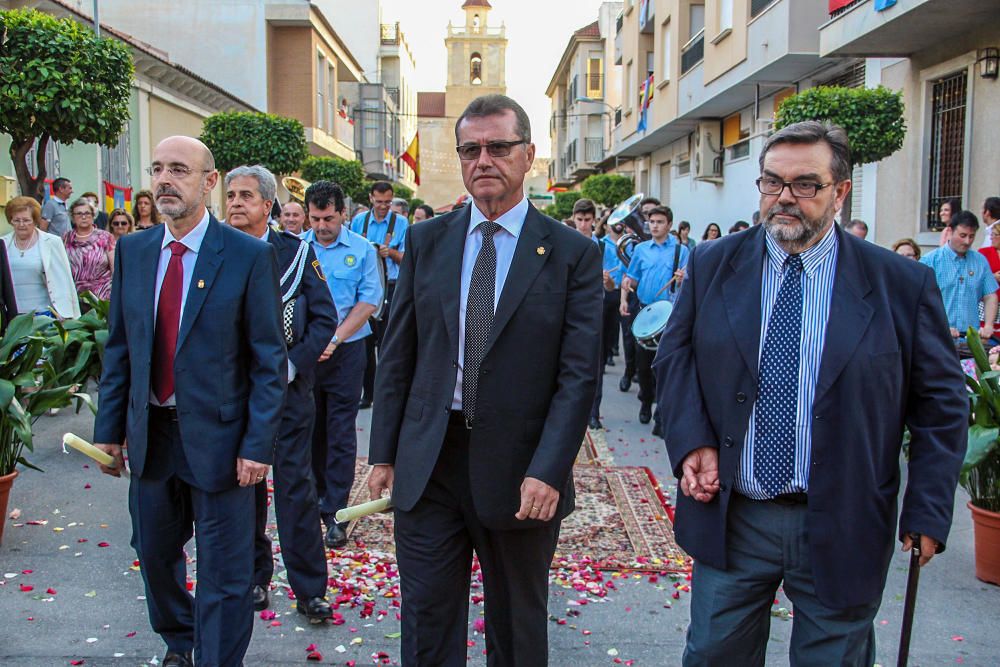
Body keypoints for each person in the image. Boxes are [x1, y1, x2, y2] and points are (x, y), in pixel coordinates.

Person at [655, 120, 967, 665]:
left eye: (805, 185)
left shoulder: (900, 283)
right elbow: (674, 360)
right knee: (712, 655)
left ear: (841, 191)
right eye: (772, 183)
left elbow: (942, 405)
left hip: (844, 515)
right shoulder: (712, 264)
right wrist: (691, 444)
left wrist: (928, 509)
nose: (784, 198)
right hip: (735, 515)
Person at [369, 94, 602, 666]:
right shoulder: (428, 241)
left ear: (529, 156)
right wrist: (384, 453)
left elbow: (578, 378)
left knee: (517, 629)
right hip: (430, 462)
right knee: (426, 622)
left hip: (520, 471)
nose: (484, 160)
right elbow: (398, 354)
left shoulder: (572, 253)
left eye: (499, 147)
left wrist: (549, 470)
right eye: (471, 149)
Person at [93, 136, 287, 667]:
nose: (164, 180)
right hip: (151, 436)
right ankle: (181, 640)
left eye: (179, 169)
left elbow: (269, 362)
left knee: (226, 571)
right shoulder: (133, 251)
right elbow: (120, 349)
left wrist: (257, 445)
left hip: (223, 445)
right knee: (154, 554)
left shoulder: (248, 256)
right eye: (157, 168)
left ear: (208, 182)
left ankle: (218, 658)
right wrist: (109, 432)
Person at [224, 165, 337, 622]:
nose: (235, 204)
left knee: (295, 489)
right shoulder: (216, 251)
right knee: (245, 488)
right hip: (235, 396)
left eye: (246, 196)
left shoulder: (295, 253)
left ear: (267, 205)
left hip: (289, 393)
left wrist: (289, 366)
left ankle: (310, 588)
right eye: (230, 195)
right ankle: (254, 577)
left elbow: (325, 319)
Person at [302, 181, 382, 549]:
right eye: (316, 218)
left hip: (347, 349)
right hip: (306, 353)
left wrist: (333, 339)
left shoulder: (363, 250)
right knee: (310, 429)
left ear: (343, 214)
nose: (322, 226)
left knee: (339, 430)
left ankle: (335, 509)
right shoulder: (298, 248)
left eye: (329, 218)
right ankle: (314, 500)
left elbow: (368, 301)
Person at [621, 205, 689, 437]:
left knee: (665, 368)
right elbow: (631, 277)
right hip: (644, 311)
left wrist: (681, 279)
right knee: (644, 366)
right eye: (652, 222)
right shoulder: (640, 249)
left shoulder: (682, 250)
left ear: (669, 225)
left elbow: (689, 285)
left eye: (660, 222)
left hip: (670, 315)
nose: (655, 226)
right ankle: (645, 401)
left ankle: (661, 414)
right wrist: (624, 292)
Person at [350, 181, 407, 409]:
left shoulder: (401, 223)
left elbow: (407, 258)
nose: (383, 206)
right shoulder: (358, 222)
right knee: (364, 342)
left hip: (391, 287)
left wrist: (389, 252)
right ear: (371, 199)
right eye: (379, 201)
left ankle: (386, 393)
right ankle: (369, 393)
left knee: (387, 344)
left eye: (387, 202)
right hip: (364, 288)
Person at [922, 210, 998, 342]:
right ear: (950, 231)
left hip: (970, 340)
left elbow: (990, 295)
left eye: (971, 236)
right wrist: (939, 325)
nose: (967, 241)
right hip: (938, 337)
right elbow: (920, 300)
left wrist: (988, 325)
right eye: (962, 235)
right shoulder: (930, 261)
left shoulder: (980, 261)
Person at [2, 197, 79, 318]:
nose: (21, 224)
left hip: (44, 314)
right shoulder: (3, 243)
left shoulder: (52, 242)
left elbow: (64, 279)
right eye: (16, 220)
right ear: (10, 221)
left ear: (35, 220)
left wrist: (69, 314)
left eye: (26, 220)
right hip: (12, 315)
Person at [64, 198, 116, 301]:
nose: (83, 217)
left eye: (87, 213)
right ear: (73, 217)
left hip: (102, 295)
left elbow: (115, 268)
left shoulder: (105, 237)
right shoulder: (66, 239)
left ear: (93, 216)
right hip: (75, 296)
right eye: (79, 214)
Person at [978, 221, 1000, 330]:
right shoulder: (983, 253)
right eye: (991, 234)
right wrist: (993, 277)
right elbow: (976, 276)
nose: (991, 238)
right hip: (987, 303)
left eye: (995, 235)